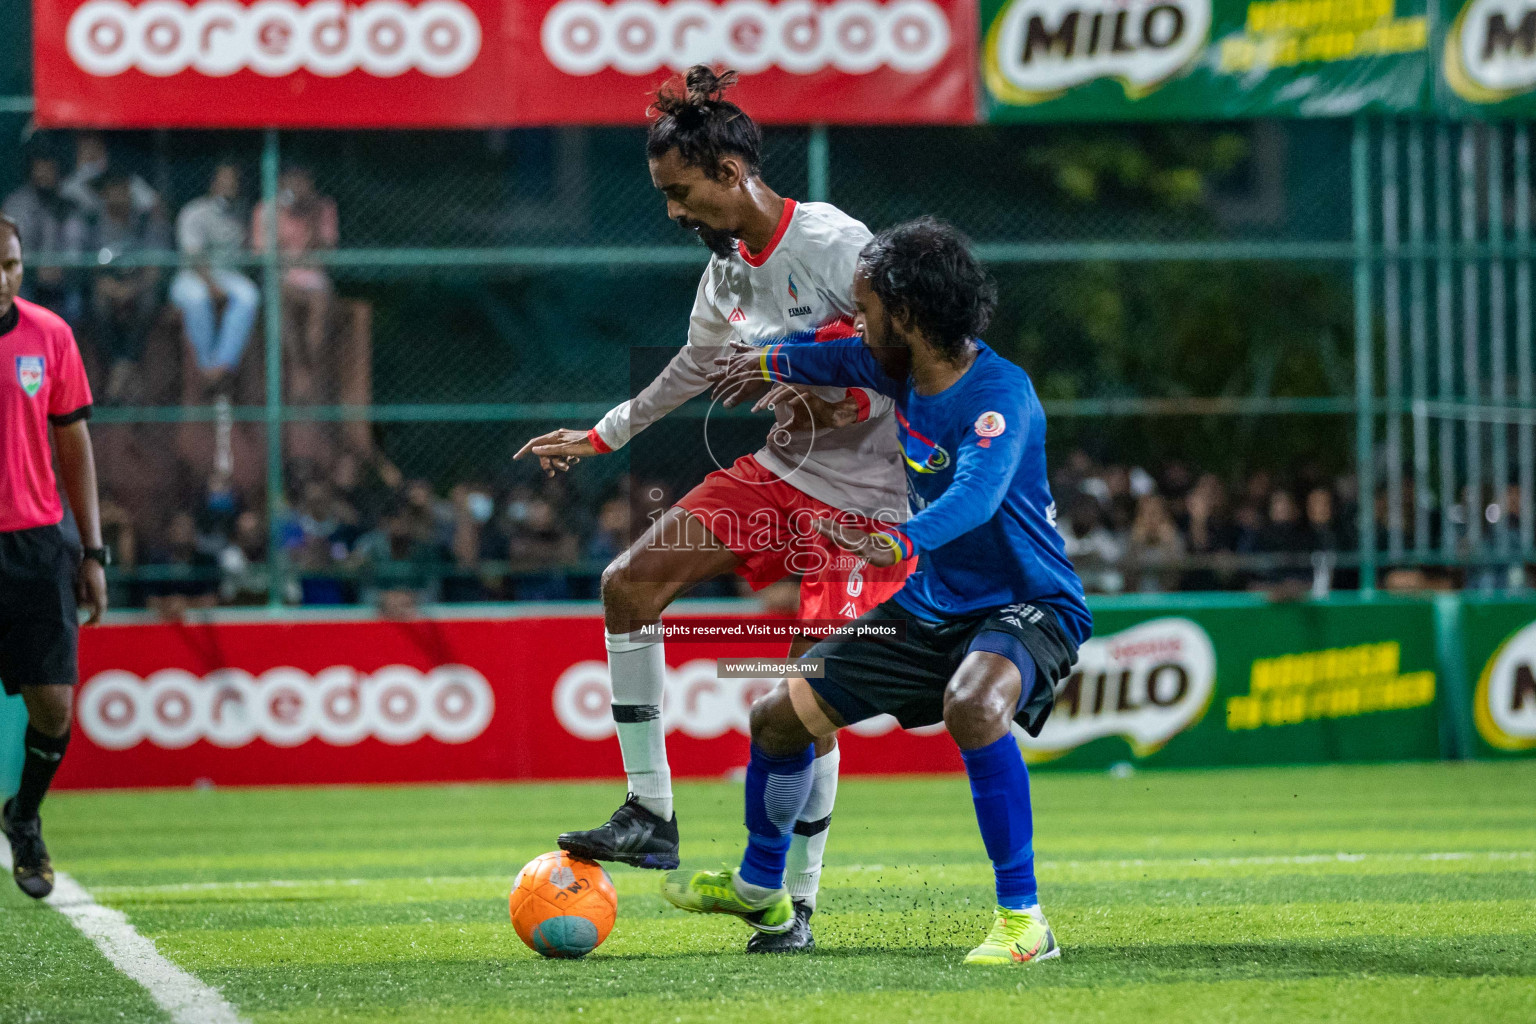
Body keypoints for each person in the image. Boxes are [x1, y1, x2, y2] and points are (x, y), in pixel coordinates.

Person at [513, 66, 910, 953]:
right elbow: (692, 368)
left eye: (679, 192)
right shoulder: (727, 274)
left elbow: (908, 350)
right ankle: (651, 811)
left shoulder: (841, 247)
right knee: (629, 584)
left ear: (731, 172)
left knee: (809, 697)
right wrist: (605, 435)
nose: (672, 213)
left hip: (866, 500)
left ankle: (793, 905)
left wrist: (819, 380)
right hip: (779, 475)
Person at [665, 217, 1091, 966]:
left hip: (1029, 603)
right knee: (776, 717)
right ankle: (761, 883)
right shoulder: (895, 368)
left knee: (974, 703)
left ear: (909, 313)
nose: (857, 320)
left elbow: (978, 496)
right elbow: (823, 360)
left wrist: (903, 541)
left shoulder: (1001, 394)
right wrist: (762, 361)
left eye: (866, 308)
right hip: (931, 606)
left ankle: (1025, 922)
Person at [0, 214, 110, 899]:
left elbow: (75, 445)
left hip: (37, 545)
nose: (2, 277)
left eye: (10, 264)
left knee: (54, 712)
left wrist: (92, 551)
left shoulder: (49, 336)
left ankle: (25, 816)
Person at [250, 164, 338, 398]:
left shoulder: (322, 208)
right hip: (279, 277)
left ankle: (311, 369)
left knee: (320, 303)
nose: (296, 189)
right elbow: (262, 255)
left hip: (312, 276)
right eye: (291, 184)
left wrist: (311, 216)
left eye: (302, 184)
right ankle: (300, 369)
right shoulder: (267, 209)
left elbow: (326, 251)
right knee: (281, 300)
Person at [171, 161, 259, 390]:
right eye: (224, 180)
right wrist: (211, 285)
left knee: (249, 295)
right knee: (197, 298)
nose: (229, 186)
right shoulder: (194, 211)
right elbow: (194, 258)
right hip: (192, 276)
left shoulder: (242, 213)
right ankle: (206, 366)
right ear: (213, 183)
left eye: (233, 181)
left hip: (228, 275)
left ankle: (222, 365)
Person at [81, 174, 170, 402]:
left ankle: (120, 371)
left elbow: (155, 269)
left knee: (149, 301)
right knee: (97, 304)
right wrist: (110, 288)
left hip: (138, 287)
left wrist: (132, 289)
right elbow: (86, 270)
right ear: (103, 194)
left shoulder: (145, 221)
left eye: (123, 190)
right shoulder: (93, 223)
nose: (118, 196)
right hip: (107, 286)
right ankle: (121, 366)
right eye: (112, 190)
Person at [3, 152, 86, 323]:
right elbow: (13, 248)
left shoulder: (70, 203)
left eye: (49, 168)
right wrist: (35, 270)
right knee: (16, 299)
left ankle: (61, 348)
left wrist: (62, 267)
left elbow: (76, 246)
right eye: (39, 168)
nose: (43, 174)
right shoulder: (17, 204)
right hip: (27, 278)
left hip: (62, 279)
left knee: (74, 304)